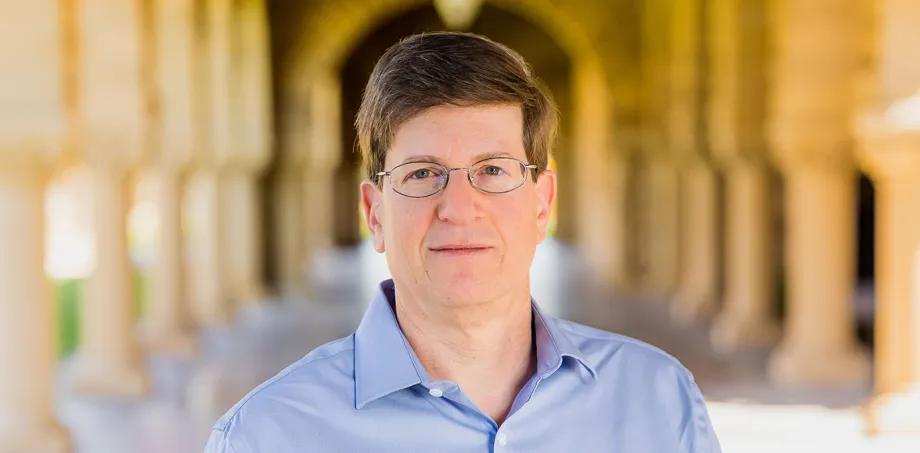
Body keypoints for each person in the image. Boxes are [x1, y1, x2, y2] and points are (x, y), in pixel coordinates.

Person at [205, 31, 722, 453]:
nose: (458, 208)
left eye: (492, 169)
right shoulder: (263, 437)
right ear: (375, 213)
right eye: (422, 173)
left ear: (542, 204)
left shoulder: (660, 402)